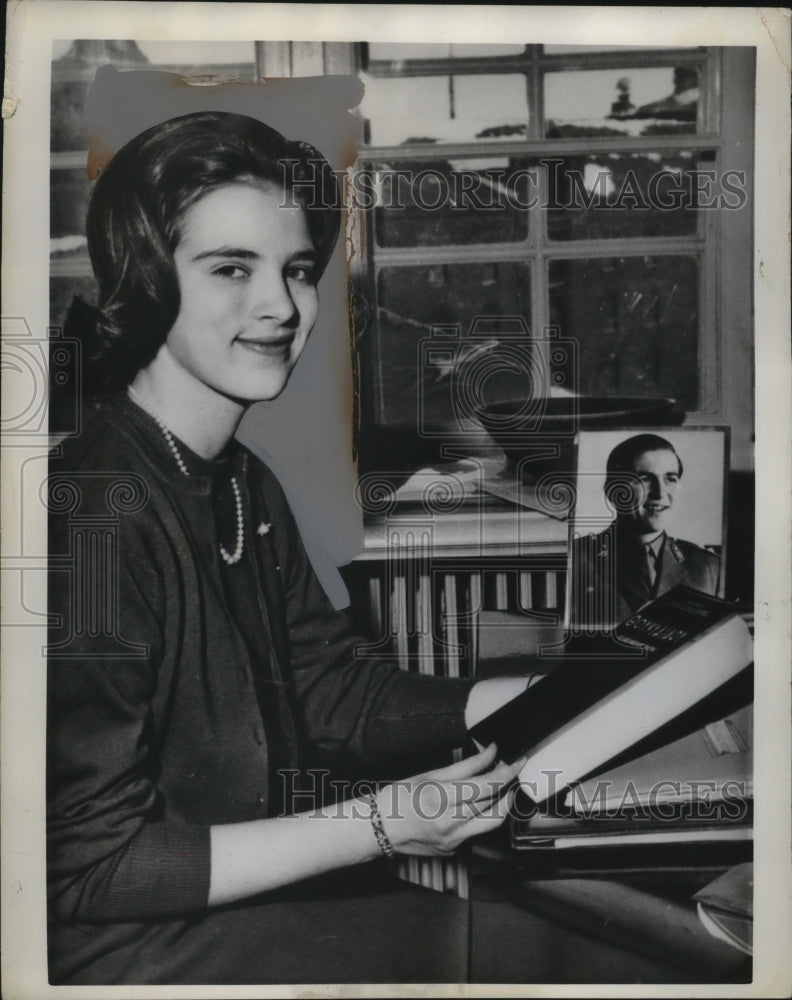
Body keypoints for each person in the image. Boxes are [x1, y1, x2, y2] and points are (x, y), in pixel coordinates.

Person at [46, 111, 530, 985]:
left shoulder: (239, 476)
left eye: (299, 270)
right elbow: (86, 868)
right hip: (119, 955)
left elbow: (332, 691)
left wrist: (534, 697)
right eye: (232, 268)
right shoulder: (93, 511)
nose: (282, 306)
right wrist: (383, 825)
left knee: (545, 940)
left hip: (220, 915)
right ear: (149, 279)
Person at [569, 433, 720, 629]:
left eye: (670, 479)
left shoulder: (709, 567)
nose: (659, 493)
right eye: (645, 479)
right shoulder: (575, 559)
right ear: (613, 492)